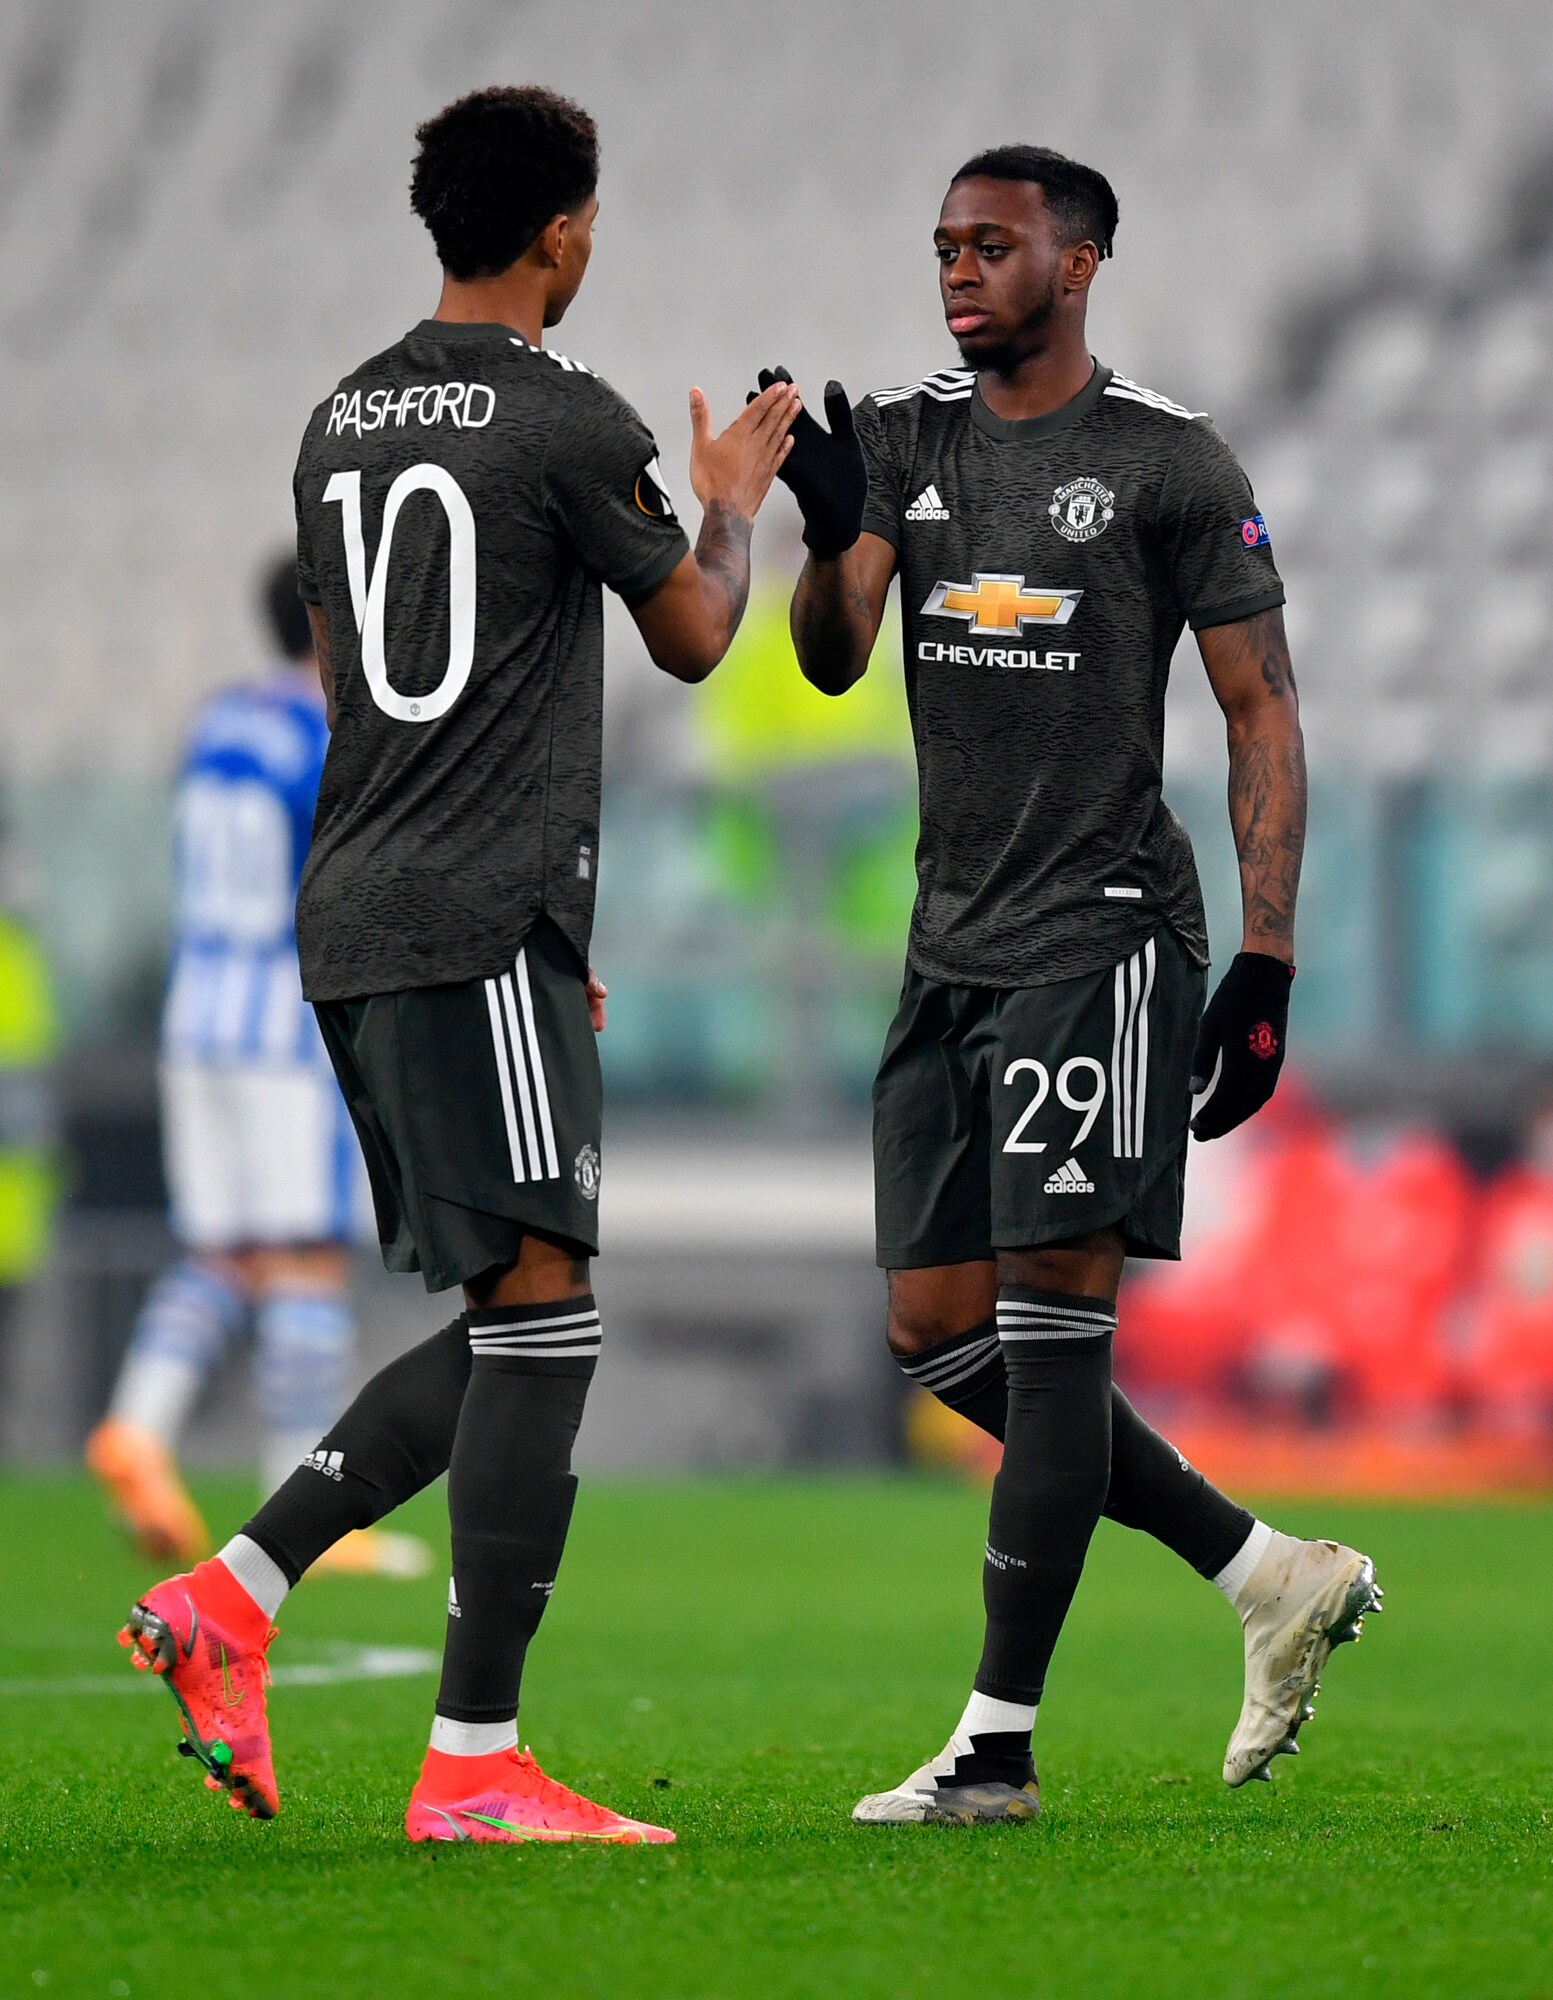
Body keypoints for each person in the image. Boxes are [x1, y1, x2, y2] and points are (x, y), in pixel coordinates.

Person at [116, 84, 798, 1845]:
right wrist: (730, 504)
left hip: (356, 913)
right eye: (593, 224)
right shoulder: (567, 416)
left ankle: (231, 1600)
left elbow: (362, 685)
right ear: (562, 232)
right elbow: (696, 636)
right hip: (472, 918)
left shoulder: (335, 422)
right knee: (546, 1320)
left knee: (514, 1315)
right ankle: (472, 1763)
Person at [763, 144, 1381, 1826]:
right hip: (945, 945)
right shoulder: (906, 440)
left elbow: (1259, 707)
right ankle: (1263, 1570)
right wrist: (827, 526)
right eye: (942, 248)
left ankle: (995, 1746)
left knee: (1047, 1336)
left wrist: (1263, 956)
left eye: (991, 245)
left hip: (1100, 937)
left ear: (1080, 261)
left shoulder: (1168, 461)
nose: (958, 272)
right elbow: (829, 653)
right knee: (931, 1331)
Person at [87, 558, 427, 1582]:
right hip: (283, 1020)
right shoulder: (327, 732)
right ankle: (307, 1507)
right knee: (305, 1256)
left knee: (226, 1250)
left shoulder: (218, 720)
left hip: (197, 1011)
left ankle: (137, 1424)